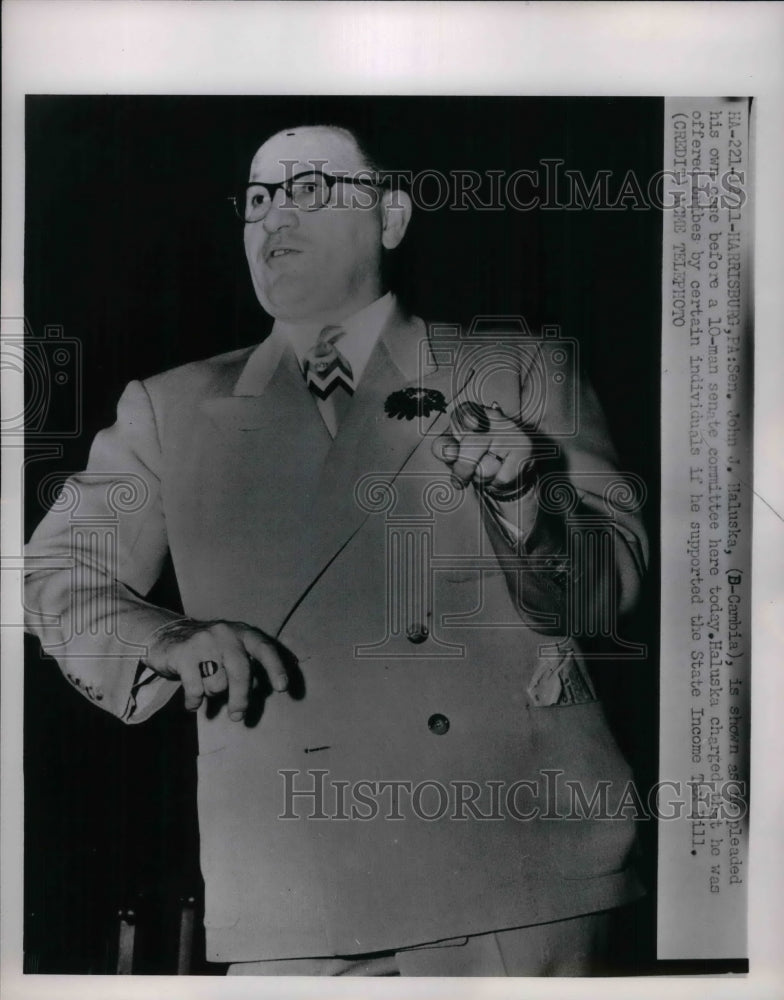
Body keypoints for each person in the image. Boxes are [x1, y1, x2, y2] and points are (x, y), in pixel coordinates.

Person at [24, 123, 648, 976]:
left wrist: (523, 501)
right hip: (291, 883)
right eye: (257, 199)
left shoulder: (518, 369)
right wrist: (160, 637)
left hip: (517, 871)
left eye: (308, 190)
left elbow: (603, 599)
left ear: (390, 217)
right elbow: (54, 572)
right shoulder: (170, 409)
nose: (274, 217)